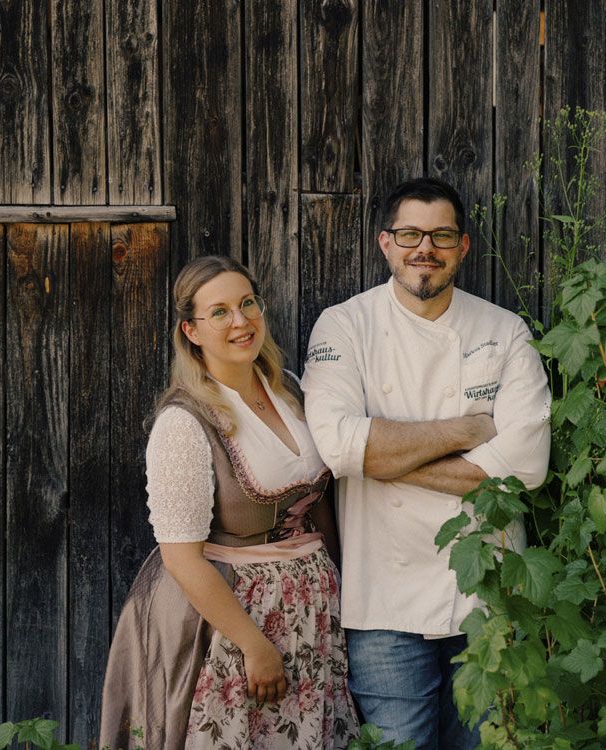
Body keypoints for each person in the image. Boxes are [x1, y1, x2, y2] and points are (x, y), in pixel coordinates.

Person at [301, 177, 551, 749]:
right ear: (385, 243)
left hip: (488, 598)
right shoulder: (344, 326)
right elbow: (337, 447)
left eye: (441, 235)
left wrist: (380, 457)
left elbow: (526, 466)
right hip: (385, 601)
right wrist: (465, 431)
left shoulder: (505, 332)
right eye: (410, 233)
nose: (425, 248)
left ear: (463, 247)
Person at [100, 256, 359, 749]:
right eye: (219, 312)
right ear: (191, 331)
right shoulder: (184, 422)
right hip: (231, 624)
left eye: (247, 304)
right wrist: (254, 646)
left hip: (310, 614)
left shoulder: (292, 393)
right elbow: (181, 558)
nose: (241, 321)